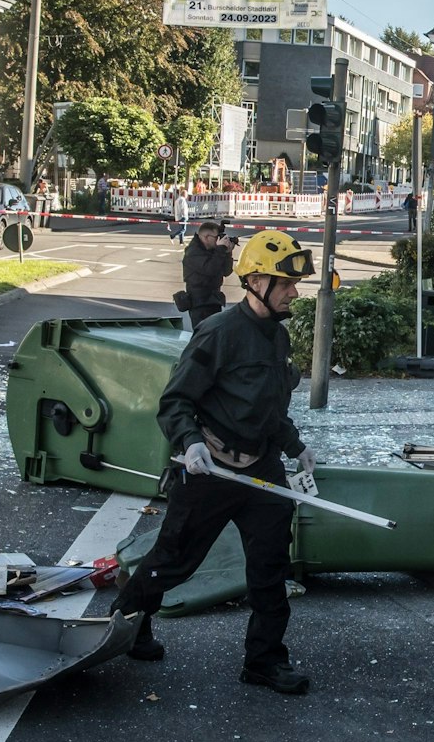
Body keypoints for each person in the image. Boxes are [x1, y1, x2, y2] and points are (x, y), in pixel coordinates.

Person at [115, 229, 319, 693]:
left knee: (270, 569)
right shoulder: (218, 333)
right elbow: (174, 402)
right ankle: (125, 625)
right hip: (211, 469)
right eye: (285, 284)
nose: (294, 292)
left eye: (294, 284)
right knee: (173, 561)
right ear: (254, 283)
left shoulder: (278, 338)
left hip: (262, 470)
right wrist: (190, 443)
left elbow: (270, 407)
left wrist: (294, 446)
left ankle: (264, 660)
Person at [181, 220, 234, 328]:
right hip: (200, 302)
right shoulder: (193, 252)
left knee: (215, 334)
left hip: (213, 299)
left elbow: (226, 271)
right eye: (216, 237)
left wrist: (228, 253)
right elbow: (211, 269)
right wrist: (220, 250)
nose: (218, 240)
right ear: (206, 237)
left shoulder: (213, 250)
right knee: (203, 335)